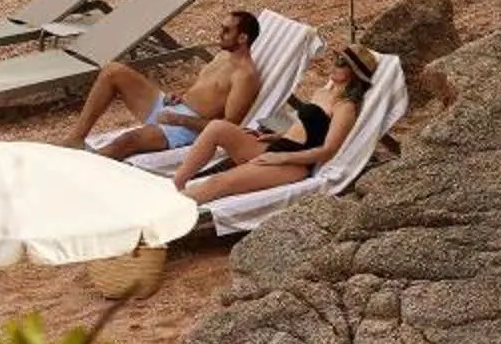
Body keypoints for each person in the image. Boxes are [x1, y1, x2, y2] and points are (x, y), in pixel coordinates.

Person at [173, 43, 379, 203]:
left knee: (218, 182)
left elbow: (328, 150)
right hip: (273, 146)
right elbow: (304, 126)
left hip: (293, 164)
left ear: (355, 73)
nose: (334, 64)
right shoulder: (321, 92)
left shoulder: (345, 107)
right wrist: (277, 136)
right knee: (216, 127)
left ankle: (165, 217)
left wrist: (281, 158)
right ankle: (178, 183)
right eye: (336, 58)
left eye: (342, 62)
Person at [70, 11, 263, 161]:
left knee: (127, 141)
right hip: (171, 109)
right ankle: (76, 138)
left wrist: (180, 120)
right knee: (113, 71)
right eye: (221, 28)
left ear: (243, 38)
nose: (219, 34)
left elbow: (228, 126)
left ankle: (83, 167)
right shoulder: (223, 56)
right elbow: (205, 90)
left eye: (226, 31)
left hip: (187, 127)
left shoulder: (245, 76)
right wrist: (181, 95)